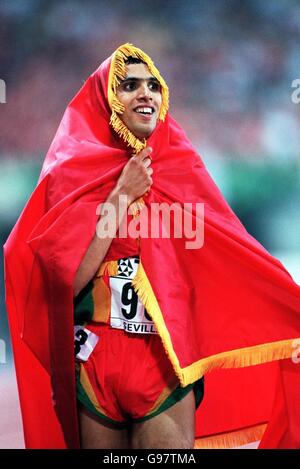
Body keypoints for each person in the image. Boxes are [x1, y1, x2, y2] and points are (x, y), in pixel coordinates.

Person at [3, 43, 300, 450]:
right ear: (106, 97)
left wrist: (288, 310)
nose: (146, 94)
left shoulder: (182, 167)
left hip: (164, 361)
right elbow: (66, 285)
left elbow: (233, 252)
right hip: (93, 361)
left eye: (153, 85)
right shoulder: (71, 173)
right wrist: (121, 196)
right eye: (129, 85)